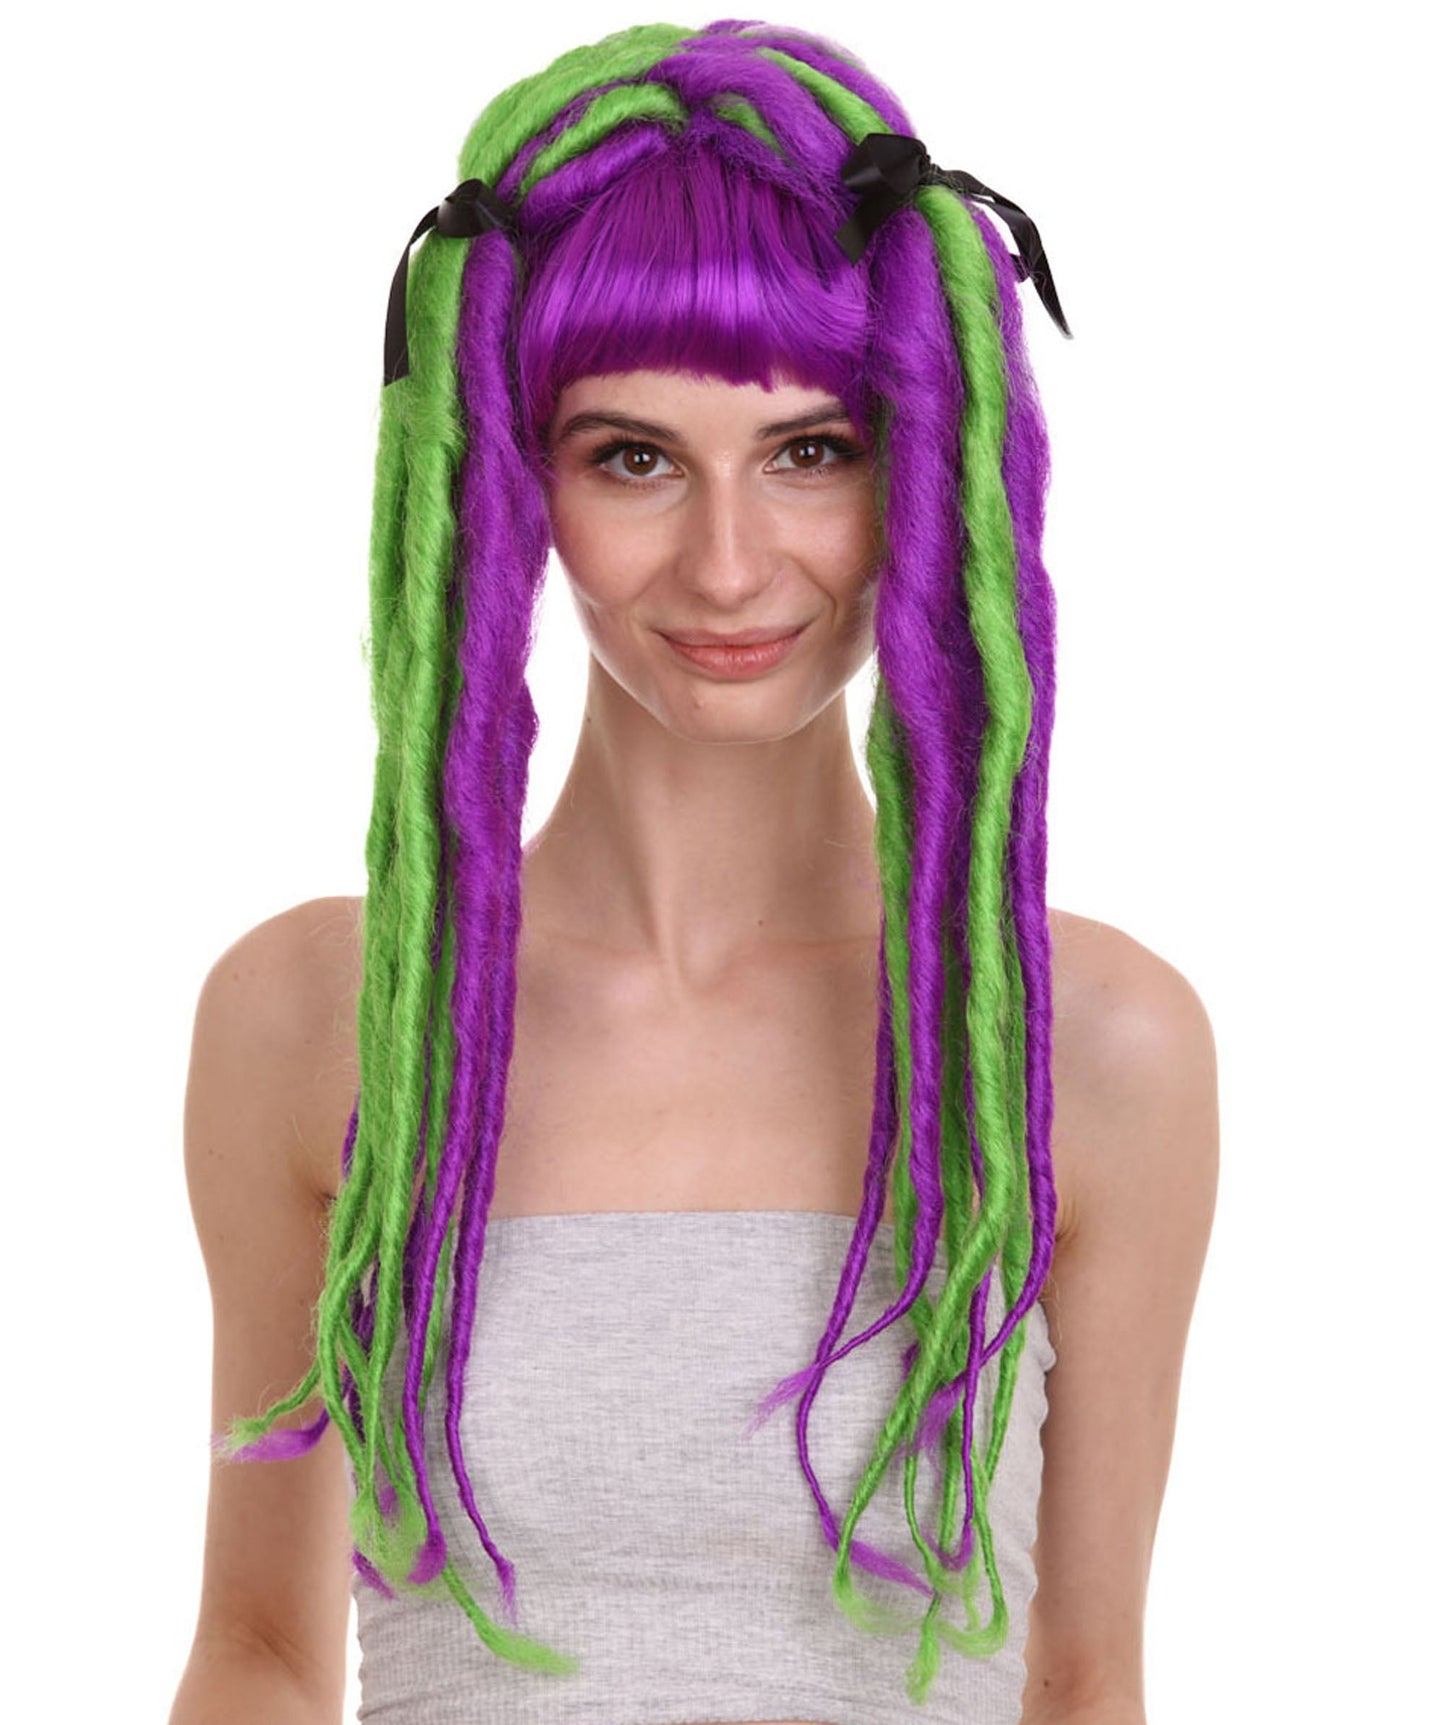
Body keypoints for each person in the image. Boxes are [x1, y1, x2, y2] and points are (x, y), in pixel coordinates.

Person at [169, 18, 1218, 1725]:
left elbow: (1084, 1682)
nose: (730, 566)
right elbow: (262, 1654)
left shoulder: (1093, 1044)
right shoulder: (321, 1016)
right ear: (511, 487)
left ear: (924, 470)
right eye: (633, 458)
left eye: (811, 451)